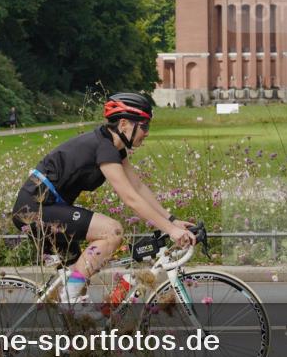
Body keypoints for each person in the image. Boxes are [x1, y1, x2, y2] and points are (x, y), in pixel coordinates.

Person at [12, 93, 196, 309]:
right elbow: (130, 198)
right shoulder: (104, 148)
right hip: (34, 209)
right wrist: (171, 230)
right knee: (112, 232)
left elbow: (138, 187)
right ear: (125, 124)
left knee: (79, 283)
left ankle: (73, 322)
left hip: (52, 208)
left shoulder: (113, 147)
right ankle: (68, 298)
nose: (147, 133)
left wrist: (171, 220)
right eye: (144, 126)